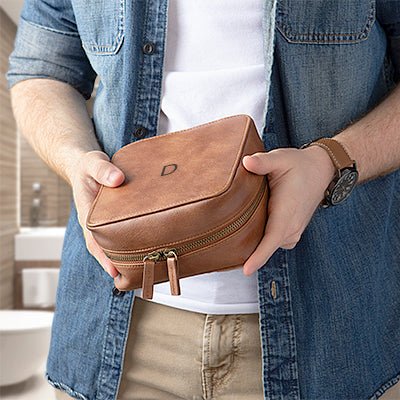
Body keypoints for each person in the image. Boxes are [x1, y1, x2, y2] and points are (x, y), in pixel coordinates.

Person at [6, 0, 400, 399]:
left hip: (333, 333)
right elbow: (41, 70)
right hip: (116, 333)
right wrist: (74, 160)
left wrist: (331, 161)